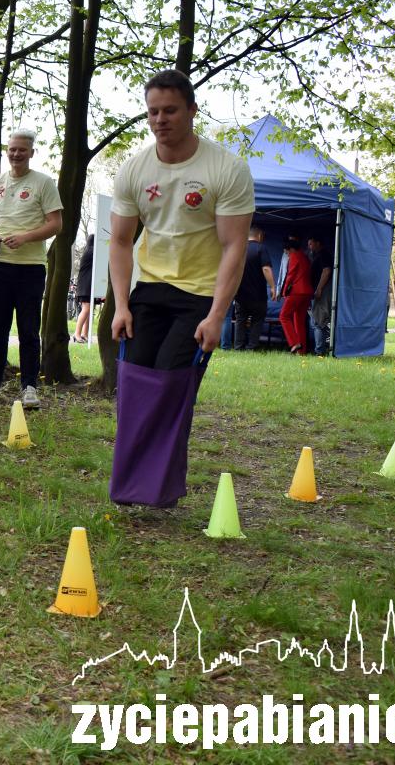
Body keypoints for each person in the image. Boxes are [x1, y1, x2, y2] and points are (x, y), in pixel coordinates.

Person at [108, 69, 254, 508]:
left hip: (199, 295)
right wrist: (121, 306)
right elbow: (120, 241)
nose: (160, 120)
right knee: (135, 384)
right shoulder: (134, 169)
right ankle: (131, 486)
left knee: (172, 385)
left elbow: (233, 246)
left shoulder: (225, 168)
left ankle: (158, 489)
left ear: (192, 110)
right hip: (150, 289)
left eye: (170, 110)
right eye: (153, 112)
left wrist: (217, 315)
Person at [0, 129, 63, 409]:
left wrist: (25, 237)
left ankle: (30, 387)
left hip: (30, 267)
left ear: (31, 152)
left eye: (22, 149)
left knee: (29, 330)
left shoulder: (44, 183)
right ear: (6, 151)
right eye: (12, 149)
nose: (16, 154)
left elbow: (56, 224)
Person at [232, 226, 275, 350]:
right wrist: (273, 287)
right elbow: (266, 268)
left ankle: (238, 347)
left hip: (240, 294)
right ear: (260, 236)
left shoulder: (239, 248)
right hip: (258, 294)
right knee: (257, 320)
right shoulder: (261, 248)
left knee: (240, 320)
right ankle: (251, 347)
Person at [278, 236, 312, 354]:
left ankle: (294, 343)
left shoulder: (294, 256)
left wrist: (284, 291)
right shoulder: (304, 256)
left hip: (296, 292)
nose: (286, 253)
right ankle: (302, 352)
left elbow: (290, 275)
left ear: (291, 249)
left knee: (284, 316)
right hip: (307, 292)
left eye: (286, 251)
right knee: (299, 322)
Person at [307, 236, 332, 355]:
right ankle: (321, 349)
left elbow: (326, 271)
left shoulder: (323, 254)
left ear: (318, 243)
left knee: (318, 321)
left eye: (311, 244)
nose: (309, 247)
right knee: (318, 321)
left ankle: (319, 351)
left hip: (322, 292)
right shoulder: (318, 255)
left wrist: (319, 288)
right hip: (320, 291)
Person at [73, 232, 95, 343]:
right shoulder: (91, 252)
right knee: (86, 309)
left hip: (86, 285)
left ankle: (84, 334)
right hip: (85, 286)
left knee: (88, 310)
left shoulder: (88, 251)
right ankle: (77, 334)